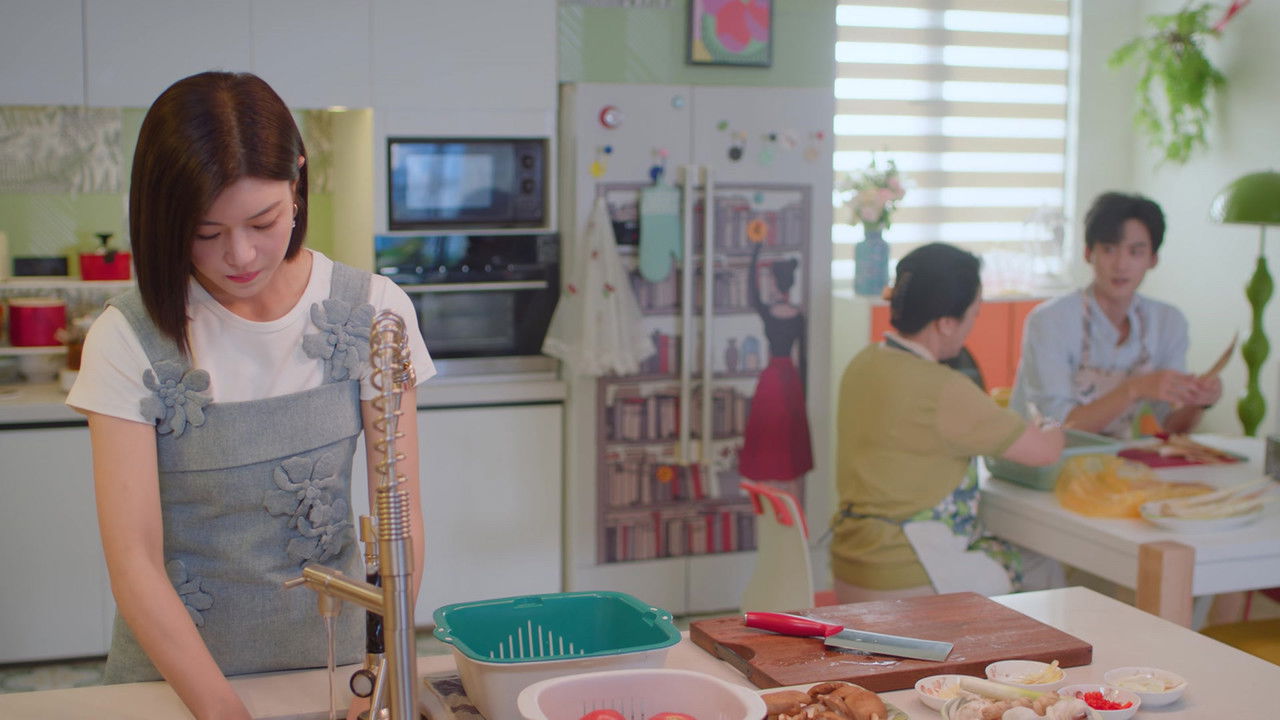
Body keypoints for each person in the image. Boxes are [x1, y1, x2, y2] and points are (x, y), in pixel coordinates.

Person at [65, 71, 433, 720]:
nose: (240, 255)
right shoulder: (127, 338)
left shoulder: (373, 314)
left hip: (336, 668)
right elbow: (135, 562)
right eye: (206, 233)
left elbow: (399, 524)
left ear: (297, 181)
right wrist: (222, 711)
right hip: (174, 685)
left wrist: (380, 671)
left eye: (262, 222)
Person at [831, 243, 1064, 603]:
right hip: (905, 576)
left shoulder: (862, 363)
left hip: (849, 568)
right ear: (946, 323)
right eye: (974, 314)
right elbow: (1044, 452)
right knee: (1044, 566)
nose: (973, 325)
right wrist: (1052, 422)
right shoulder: (945, 389)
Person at [1011, 191, 1222, 437]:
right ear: (1088, 253)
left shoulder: (1168, 322)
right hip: (1042, 453)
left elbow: (1168, 426)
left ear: (1153, 259)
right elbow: (1056, 426)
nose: (1121, 264)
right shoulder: (1049, 321)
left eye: (1135, 252)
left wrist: (1200, 402)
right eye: (1109, 249)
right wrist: (1133, 389)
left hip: (1118, 456)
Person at [737, 241, 813, 481]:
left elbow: (752, 291)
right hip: (790, 379)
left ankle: (766, 488)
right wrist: (803, 393)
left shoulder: (769, 313)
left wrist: (756, 252)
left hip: (773, 377)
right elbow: (804, 358)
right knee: (788, 437)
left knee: (767, 433)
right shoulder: (798, 317)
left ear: (775, 282)